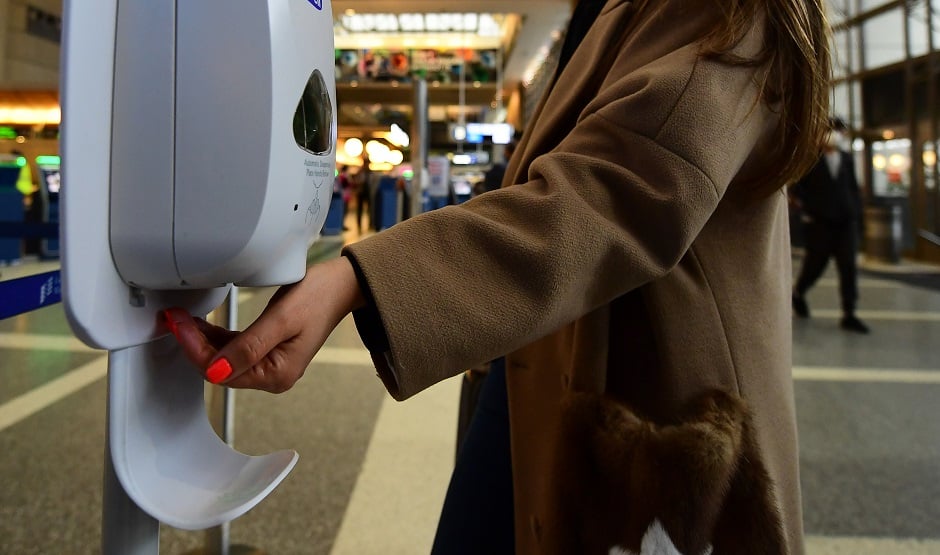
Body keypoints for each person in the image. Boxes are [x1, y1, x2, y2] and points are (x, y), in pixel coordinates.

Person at [164, 1, 831, 553]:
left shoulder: (730, 12)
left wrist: (356, 279)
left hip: (645, 417)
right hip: (540, 376)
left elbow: (606, 198)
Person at [790, 118, 870, 334]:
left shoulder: (846, 159)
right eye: (832, 131)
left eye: (840, 132)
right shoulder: (810, 160)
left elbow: (853, 189)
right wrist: (806, 207)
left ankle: (849, 312)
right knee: (814, 266)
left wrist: (858, 218)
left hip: (846, 222)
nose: (836, 136)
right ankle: (798, 293)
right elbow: (796, 190)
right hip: (820, 223)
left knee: (848, 268)